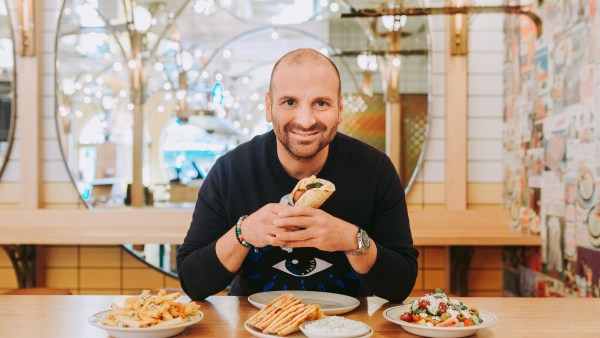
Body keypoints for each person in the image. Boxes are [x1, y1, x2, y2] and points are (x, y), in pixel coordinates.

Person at [177, 48, 418, 303]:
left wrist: (352, 239)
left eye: (321, 103)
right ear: (269, 107)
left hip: (348, 328)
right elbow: (192, 283)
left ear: (340, 110)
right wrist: (243, 232)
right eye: (289, 102)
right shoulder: (231, 171)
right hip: (253, 326)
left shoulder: (375, 170)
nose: (305, 121)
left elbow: (400, 285)